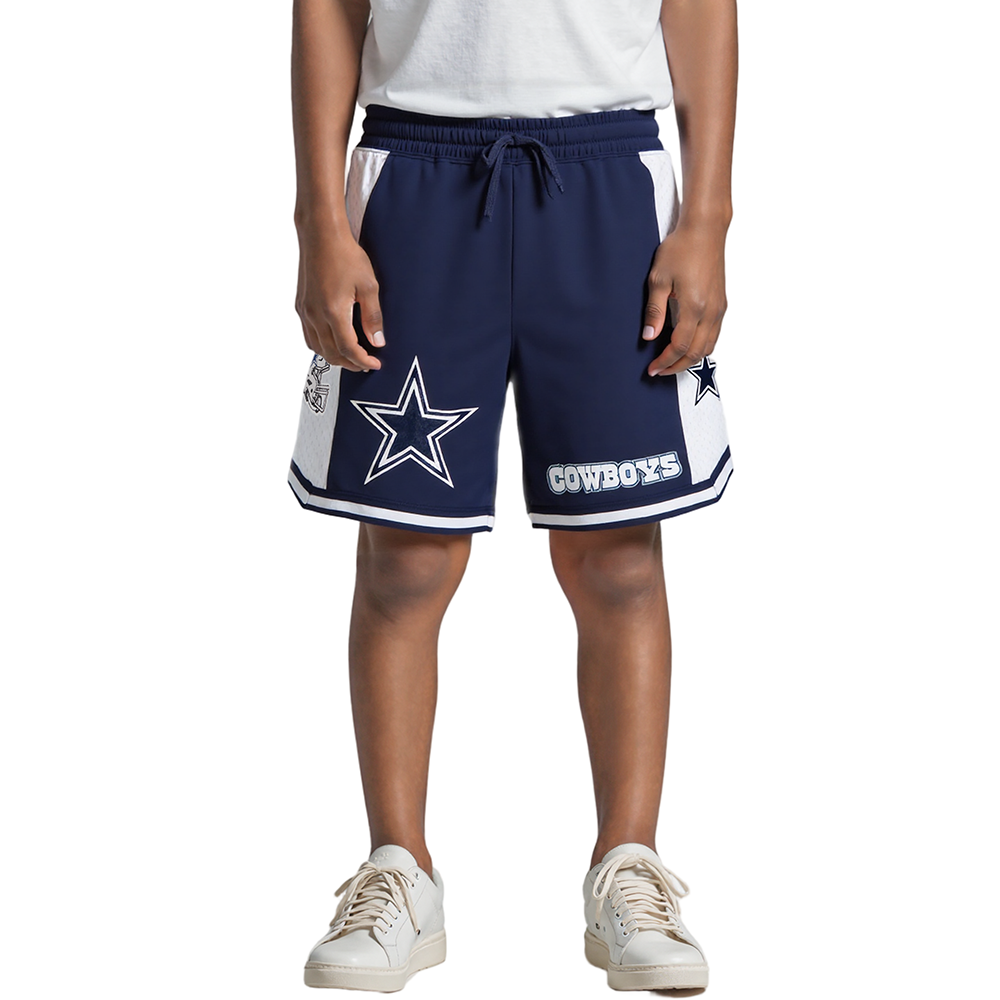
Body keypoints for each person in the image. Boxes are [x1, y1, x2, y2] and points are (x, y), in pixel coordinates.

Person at [288, 0, 737, 992]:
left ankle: (628, 866)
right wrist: (320, 218)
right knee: (406, 558)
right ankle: (399, 870)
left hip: (607, 176)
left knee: (617, 556)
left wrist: (706, 217)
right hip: (415, 172)